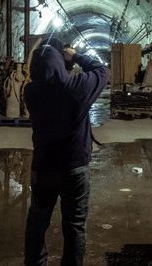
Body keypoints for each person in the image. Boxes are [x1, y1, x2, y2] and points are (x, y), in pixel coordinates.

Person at [24, 38, 110, 266]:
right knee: (74, 226)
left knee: (37, 222)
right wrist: (75, 55)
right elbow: (102, 70)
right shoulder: (77, 89)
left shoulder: (30, 92)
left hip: (43, 167)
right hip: (74, 168)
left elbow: (47, 78)